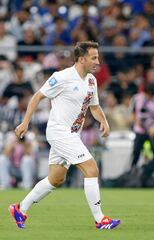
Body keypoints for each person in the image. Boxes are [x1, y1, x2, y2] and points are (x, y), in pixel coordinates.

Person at [8, 41, 121, 230]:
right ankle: (100, 220)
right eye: (94, 57)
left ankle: (20, 209)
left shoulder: (91, 80)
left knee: (56, 179)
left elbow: (94, 106)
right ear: (82, 59)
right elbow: (37, 97)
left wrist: (104, 120)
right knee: (91, 169)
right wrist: (25, 122)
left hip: (72, 135)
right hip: (59, 131)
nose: (97, 61)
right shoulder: (61, 77)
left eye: (98, 57)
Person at [129, 82, 154, 177]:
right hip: (140, 130)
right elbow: (132, 113)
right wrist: (136, 123)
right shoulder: (137, 98)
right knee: (136, 153)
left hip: (153, 131)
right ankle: (132, 173)